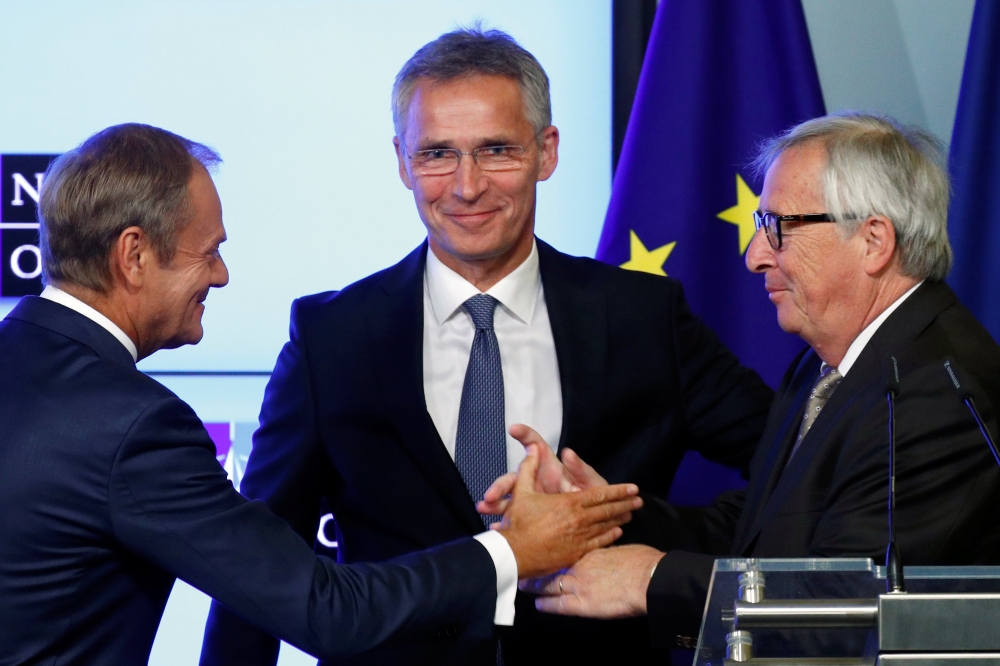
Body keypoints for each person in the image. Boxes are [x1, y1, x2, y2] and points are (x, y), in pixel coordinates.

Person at [201, 27, 773, 666]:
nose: (467, 186)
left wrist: (637, 533)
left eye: (496, 150)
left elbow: (799, 473)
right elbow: (257, 566)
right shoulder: (332, 338)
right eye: (437, 154)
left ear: (546, 152)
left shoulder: (643, 317)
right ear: (402, 162)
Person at [0, 122, 644, 666]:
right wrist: (514, 548)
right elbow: (328, 611)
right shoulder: (136, 427)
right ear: (134, 255)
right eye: (208, 252)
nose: (221, 276)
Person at [518, 112, 1000, 648]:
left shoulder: (932, 394)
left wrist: (650, 580)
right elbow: (766, 530)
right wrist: (609, 518)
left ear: (873, 240)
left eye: (778, 227)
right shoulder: (827, 364)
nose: (754, 256)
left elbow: (846, 609)